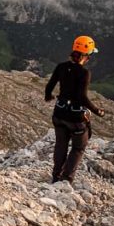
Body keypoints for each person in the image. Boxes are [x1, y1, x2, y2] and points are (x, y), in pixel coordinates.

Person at [44, 35, 105, 184]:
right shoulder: (84, 73)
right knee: (78, 148)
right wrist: (97, 111)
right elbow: (82, 97)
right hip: (75, 118)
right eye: (90, 54)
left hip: (59, 114)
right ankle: (66, 180)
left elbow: (49, 86)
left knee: (61, 145)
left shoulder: (61, 67)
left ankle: (55, 176)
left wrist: (49, 96)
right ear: (86, 55)